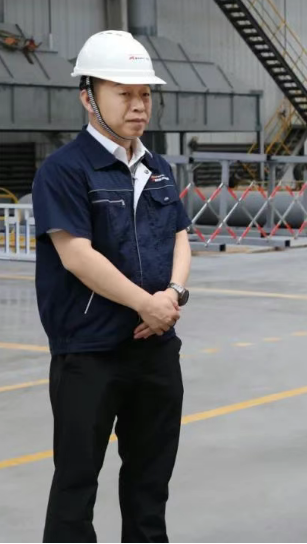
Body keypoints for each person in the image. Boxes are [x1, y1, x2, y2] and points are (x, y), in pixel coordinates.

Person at [31, 30, 191, 542]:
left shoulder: (157, 168)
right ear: (88, 96)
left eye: (145, 94)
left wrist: (173, 295)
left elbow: (180, 236)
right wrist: (147, 303)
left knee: (150, 484)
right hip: (90, 352)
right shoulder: (64, 170)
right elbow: (76, 255)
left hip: (155, 349)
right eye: (124, 93)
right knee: (76, 484)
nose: (139, 105)